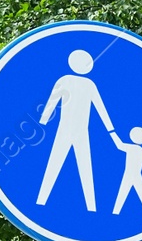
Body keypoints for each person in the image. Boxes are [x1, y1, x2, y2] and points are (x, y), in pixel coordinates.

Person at [36, 50, 113, 210]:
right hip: (75, 130)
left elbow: (51, 103)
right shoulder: (87, 84)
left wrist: (43, 121)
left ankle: (42, 201)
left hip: (72, 130)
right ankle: (91, 207)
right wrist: (110, 130)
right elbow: (101, 109)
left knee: (59, 164)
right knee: (83, 166)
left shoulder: (67, 80)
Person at [110, 127, 142, 214]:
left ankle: (115, 212)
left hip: (132, 174)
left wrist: (112, 133)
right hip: (134, 174)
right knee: (139, 192)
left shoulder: (132, 148)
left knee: (125, 192)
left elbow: (119, 145)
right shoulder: (139, 150)